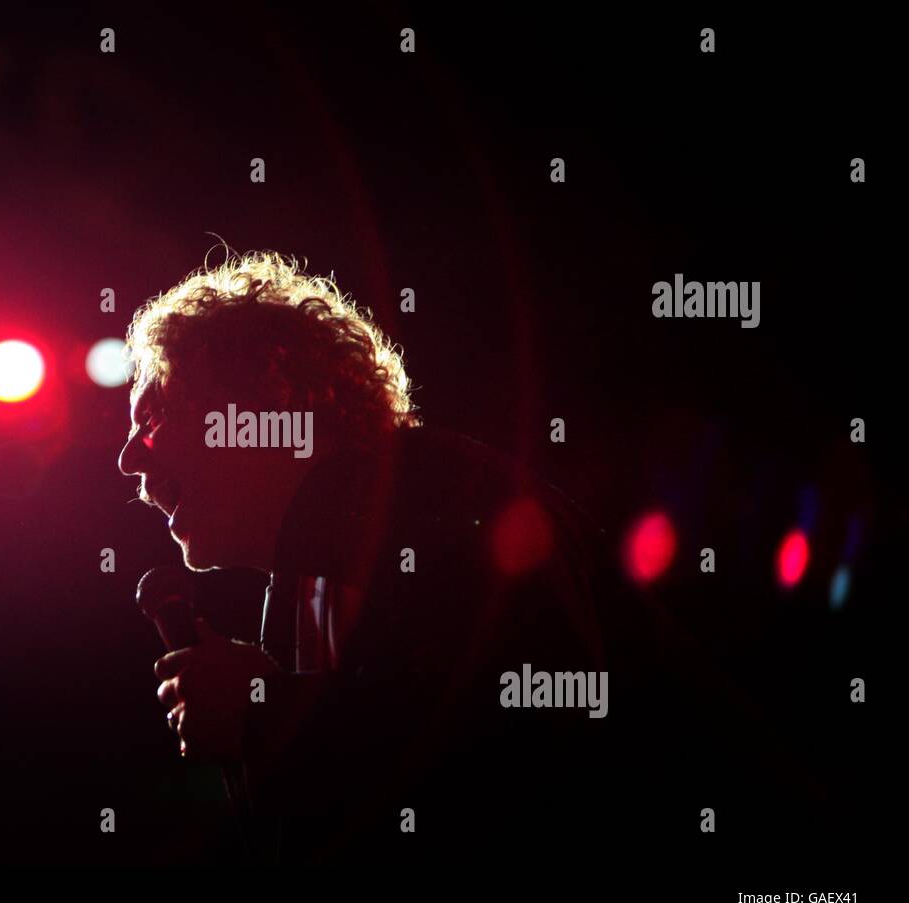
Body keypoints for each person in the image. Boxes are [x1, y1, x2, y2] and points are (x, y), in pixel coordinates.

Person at [118, 250, 641, 863]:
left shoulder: (435, 497)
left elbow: (530, 754)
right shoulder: (333, 544)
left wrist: (268, 711)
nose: (129, 459)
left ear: (260, 399)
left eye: (152, 418)